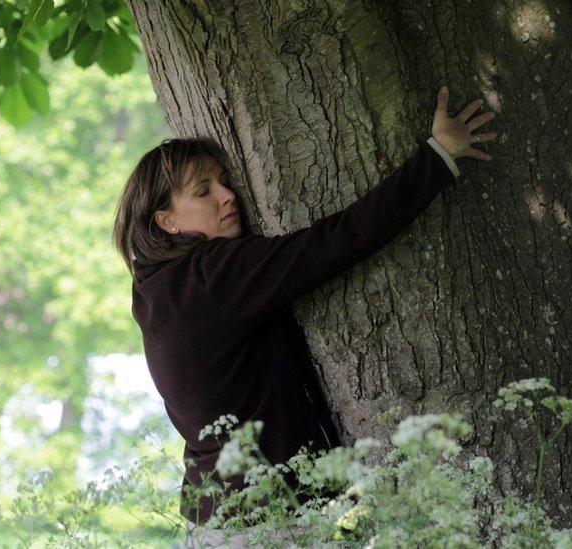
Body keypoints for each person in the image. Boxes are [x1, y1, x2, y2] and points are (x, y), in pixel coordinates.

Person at [112, 85, 497, 546]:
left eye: (224, 181)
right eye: (204, 191)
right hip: (266, 523)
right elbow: (335, 242)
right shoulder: (213, 276)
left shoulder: (155, 290)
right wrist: (437, 159)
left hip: (219, 521)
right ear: (166, 222)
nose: (228, 195)